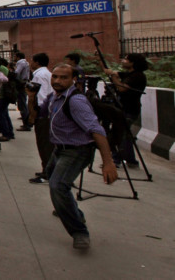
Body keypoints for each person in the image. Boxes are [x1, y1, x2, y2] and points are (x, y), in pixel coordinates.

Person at [40, 64, 118, 250]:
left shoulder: (76, 101)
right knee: (52, 177)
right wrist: (32, 97)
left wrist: (108, 162)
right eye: (55, 77)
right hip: (60, 148)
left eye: (63, 77)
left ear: (73, 79)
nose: (57, 81)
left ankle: (79, 231)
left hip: (77, 150)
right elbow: (37, 114)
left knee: (58, 186)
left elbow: (96, 130)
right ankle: (71, 210)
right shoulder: (54, 97)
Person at [103, 53, 148, 167]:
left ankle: (116, 160)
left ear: (133, 62)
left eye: (126, 59)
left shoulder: (137, 76)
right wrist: (100, 60)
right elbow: (109, 71)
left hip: (129, 109)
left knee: (120, 134)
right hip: (124, 108)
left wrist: (113, 76)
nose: (123, 61)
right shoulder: (129, 74)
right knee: (125, 135)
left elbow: (122, 88)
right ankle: (131, 161)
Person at [27, 53, 54, 183]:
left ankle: (47, 172)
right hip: (48, 113)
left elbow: (40, 96)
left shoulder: (39, 75)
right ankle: (47, 169)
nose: (30, 63)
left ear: (37, 62)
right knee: (46, 144)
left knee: (44, 144)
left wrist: (35, 114)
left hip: (43, 114)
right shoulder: (47, 73)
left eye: (32, 60)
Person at [0, 58, 17, 142]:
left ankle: (6, 134)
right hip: (4, 95)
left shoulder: (2, 69)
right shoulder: (3, 69)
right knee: (4, 113)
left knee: (0, 114)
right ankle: (9, 133)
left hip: (4, 96)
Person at [14, 52, 31, 131]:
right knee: (23, 103)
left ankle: (26, 124)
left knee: (22, 104)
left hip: (20, 84)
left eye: (15, 56)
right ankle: (27, 122)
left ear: (18, 57)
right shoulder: (26, 63)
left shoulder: (20, 63)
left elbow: (17, 72)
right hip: (24, 83)